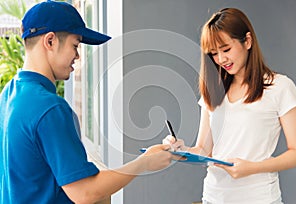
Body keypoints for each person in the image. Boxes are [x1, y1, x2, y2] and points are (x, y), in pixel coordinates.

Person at [0, 1, 173, 203]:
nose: (77, 55)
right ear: (50, 41)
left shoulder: (9, 93)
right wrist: (144, 163)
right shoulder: (49, 108)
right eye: (75, 45)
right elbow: (85, 193)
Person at [163, 8, 296, 204]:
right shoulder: (213, 90)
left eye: (226, 49)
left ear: (248, 41)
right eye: (214, 54)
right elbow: (204, 150)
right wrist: (180, 150)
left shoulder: (280, 87)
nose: (221, 59)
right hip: (213, 197)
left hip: (259, 198)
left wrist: (253, 167)